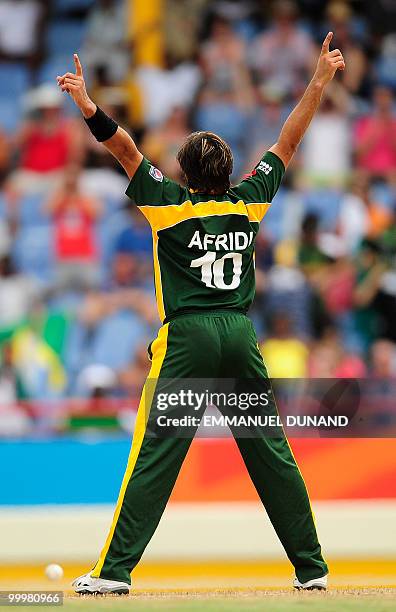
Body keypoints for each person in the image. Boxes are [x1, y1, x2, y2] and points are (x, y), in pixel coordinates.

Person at [57, 33, 345, 594]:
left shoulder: (167, 205)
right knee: (271, 452)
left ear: (184, 173)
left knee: (156, 455)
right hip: (240, 335)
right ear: (226, 171)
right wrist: (317, 82)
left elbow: (124, 150)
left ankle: (114, 573)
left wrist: (88, 105)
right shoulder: (249, 202)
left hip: (188, 338)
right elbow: (288, 140)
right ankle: (312, 569)